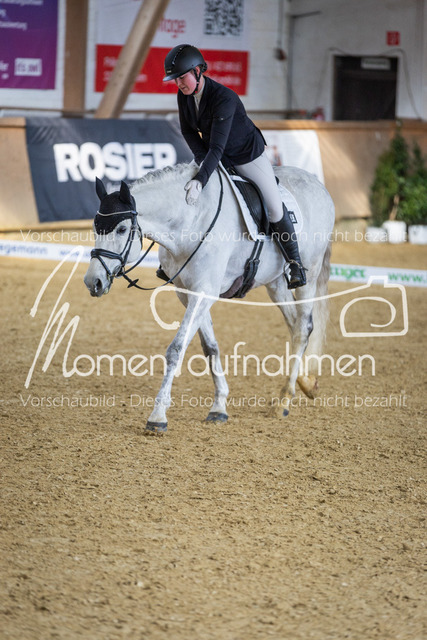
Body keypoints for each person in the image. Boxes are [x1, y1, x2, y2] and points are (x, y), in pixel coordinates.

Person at [162, 44, 306, 289]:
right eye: (175, 79)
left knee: (273, 206)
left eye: (182, 77)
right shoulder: (184, 95)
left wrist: (201, 178)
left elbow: (218, 147)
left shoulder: (224, 98)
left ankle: (295, 263)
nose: (178, 84)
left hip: (245, 156)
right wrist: (201, 160)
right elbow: (188, 131)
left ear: (197, 71)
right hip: (213, 154)